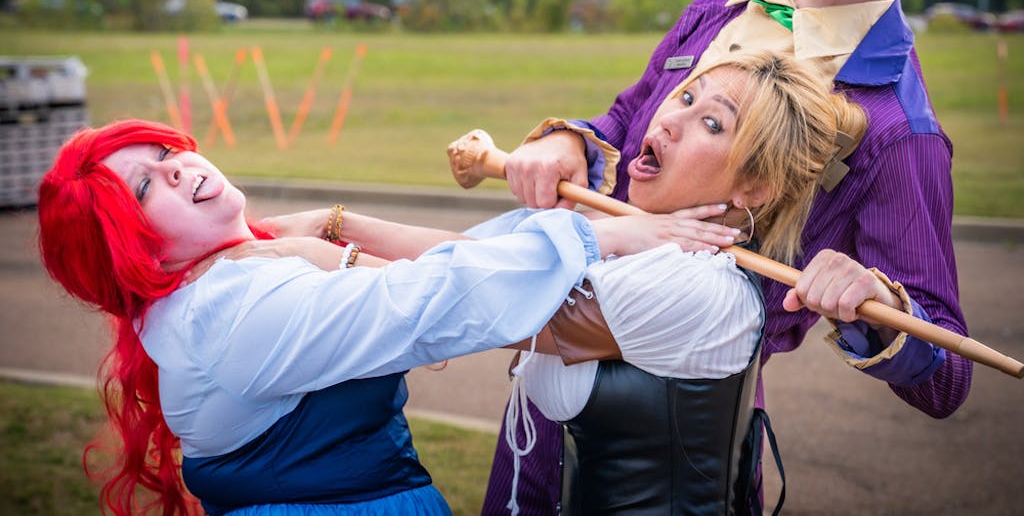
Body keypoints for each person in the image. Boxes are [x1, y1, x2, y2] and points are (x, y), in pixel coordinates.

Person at [482, 0, 970, 514]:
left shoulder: (901, 133)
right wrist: (569, 140)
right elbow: (625, 123)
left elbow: (947, 375)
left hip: (680, 435)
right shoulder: (724, 1)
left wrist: (878, 302)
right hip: (548, 387)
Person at [266, 50, 868, 515]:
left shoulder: (697, 287)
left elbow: (473, 295)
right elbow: (478, 258)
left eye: (712, 122)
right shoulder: (635, 240)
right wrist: (335, 224)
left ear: (754, 191)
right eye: (685, 96)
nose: (673, 120)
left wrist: (318, 251)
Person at [37, 119, 712, 516]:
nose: (179, 168)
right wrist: (608, 236)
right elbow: (439, 297)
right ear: (133, 248)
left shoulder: (227, 279)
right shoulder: (233, 313)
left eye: (164, 153)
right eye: (147, 188)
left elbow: (456, 263)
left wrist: (335, 226)